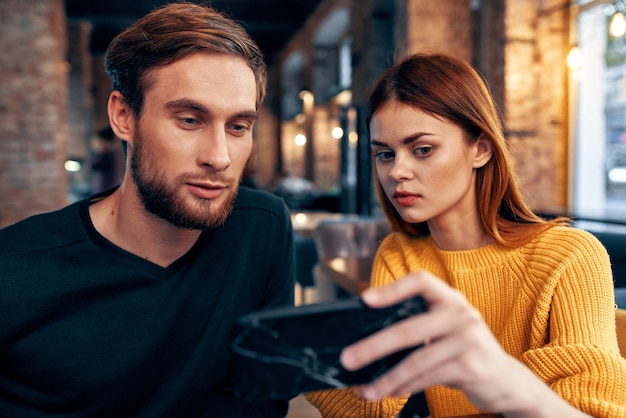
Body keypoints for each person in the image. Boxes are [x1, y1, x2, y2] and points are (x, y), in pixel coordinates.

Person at [0, 3, 294, 417]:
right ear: (124, 116)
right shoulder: (14, 270)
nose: (220, 157)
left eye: (238, 127)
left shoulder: (261, 227)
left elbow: (261, 394)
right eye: (190, 120)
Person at [306, 51, 626, 417]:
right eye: (385, 155)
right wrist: (312, 369)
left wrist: (504, 381)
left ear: (480, 148)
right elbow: (375, 406)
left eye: (422, 150)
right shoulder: (400, 254)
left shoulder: (569, 255)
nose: (397, 171)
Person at [90, 125, 121, 192]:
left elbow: (95, 166)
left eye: (100, 142)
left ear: (106, 142)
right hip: (104, 190)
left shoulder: (109, 155)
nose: (99, 144)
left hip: (106, 190)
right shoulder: (108, 154)